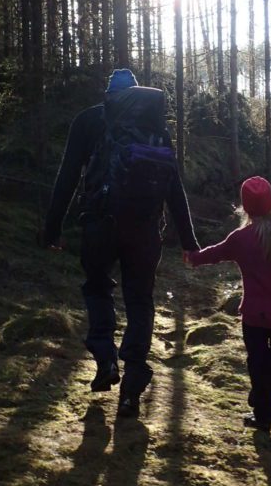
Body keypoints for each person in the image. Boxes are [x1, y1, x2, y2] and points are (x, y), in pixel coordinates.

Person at [42, 68, 199, 418]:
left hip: (100, 223)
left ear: (109, 94)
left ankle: (105, 358)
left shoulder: (88, 121)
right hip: (145, 230)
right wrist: (189, 241)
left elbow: (67, 176)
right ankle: (131, 387)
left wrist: (52, 229)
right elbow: (173, 186)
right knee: (140, 300)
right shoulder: (155, 125)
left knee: (97, 288)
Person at [184, 176, 271, 460]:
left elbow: (213, 254)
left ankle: (264, 418)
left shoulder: (240, 238)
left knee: (258, 366)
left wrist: (192, 257)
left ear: (245, 207)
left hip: (254, 318)